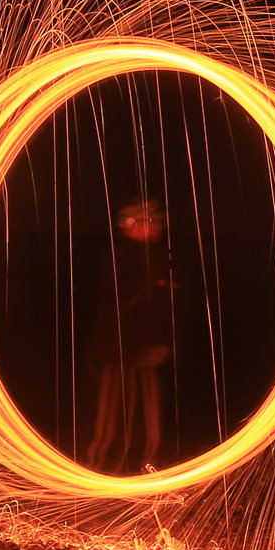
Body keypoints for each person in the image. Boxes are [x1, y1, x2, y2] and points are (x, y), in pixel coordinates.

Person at [80, 197, 176, 473]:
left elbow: (157, 304)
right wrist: (138, 345)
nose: (159, 226)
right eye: (152, 221)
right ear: (135, 225)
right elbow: (124, 307)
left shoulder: (151, 255)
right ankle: (96, 477)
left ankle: (137, 475)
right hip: (118, 352)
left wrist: (161, 344)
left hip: (140, 351)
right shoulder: (125, 255)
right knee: (107, 425)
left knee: (147, 426)